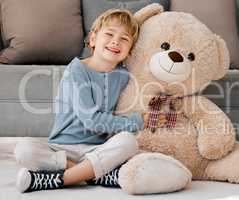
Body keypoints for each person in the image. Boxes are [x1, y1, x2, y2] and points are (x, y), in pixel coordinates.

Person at [14, 8, 166, 193]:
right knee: (23, 149)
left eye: (124, 39)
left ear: (130, 51)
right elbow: (91, 121)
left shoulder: (123, 76)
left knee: (128, 142)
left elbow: (147, 80)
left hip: (96, 149)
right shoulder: (76, 70)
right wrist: (138, 121)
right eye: (109, 34)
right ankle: (92, 175)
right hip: (62, 148)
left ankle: (56, 179)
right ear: (93, 39)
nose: (115, 41)